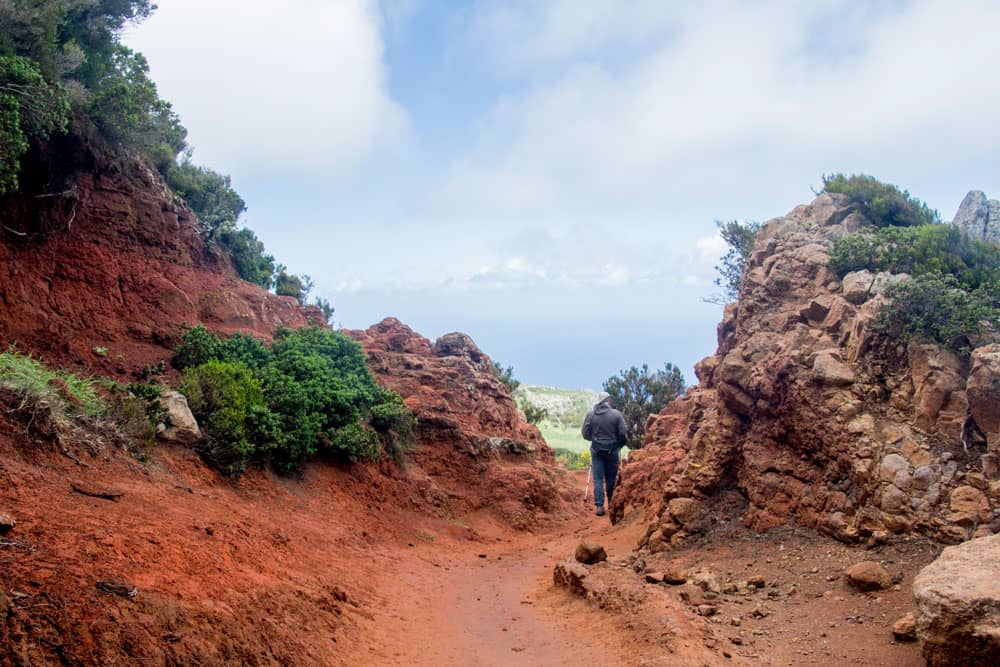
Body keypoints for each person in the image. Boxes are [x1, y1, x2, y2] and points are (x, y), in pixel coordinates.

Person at [581, 392, 627, 516]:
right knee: (611, 478)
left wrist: (595, 440)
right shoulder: (617, 415)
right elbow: (623, 434)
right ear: (608, 401)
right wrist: (618, 445)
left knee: (598, 479)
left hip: (596, 451)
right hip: (612, 451)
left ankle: (599, 506)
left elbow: (585, 433)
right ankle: (611, 503)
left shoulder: (591, 415)